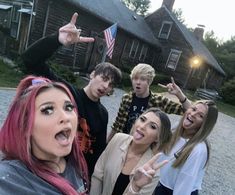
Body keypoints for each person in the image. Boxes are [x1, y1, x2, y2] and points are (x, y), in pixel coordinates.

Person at [21, 13, 122, 176]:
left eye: (110, 84)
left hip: (76, 177)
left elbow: (97, 151)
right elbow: (30, 60)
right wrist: (57, 40)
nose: (105, 86)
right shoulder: (66, 92)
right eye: (103, 78)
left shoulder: (102, 114)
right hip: (49, 169)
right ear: (92, 75)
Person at [0, 76, 89, 194]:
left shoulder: (75, 163)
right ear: (25, 126)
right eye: (47, 110)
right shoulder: (9, 179)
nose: (65, 117)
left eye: (68, 107)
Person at [90, 107, 172, 195]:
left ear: (157, 138)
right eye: (142, 119)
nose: (142, 126)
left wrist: (135, 188)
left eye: (152, 126)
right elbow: (98, 175)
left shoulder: (152, 173)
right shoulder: (118, 139)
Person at [108, 63, 191, 142]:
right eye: (135, 78)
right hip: (123, 141)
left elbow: (188, 111)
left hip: (143, 147)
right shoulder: (126, 98)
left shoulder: (158, 101)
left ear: (149, 82)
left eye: (143, 79)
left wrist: (179, 94)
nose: (138, 82)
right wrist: (107, 143)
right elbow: (117, 124)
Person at [154, 100, 218, 195]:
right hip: (159, 184)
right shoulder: (176, 130)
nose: (192, 114)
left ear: (205, 124)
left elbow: (185, 184)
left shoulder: (198, 149)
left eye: (200, 116)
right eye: (193, 109)